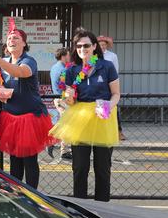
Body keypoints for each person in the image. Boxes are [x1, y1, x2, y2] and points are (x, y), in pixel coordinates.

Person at [49, 28, 120, 202]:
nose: (82, 49)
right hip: (79, 118)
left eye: (86, 45)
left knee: (102, 168)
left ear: (94, 46)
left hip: (102, 116)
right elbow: (70, 99)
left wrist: (109, 105)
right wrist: (69, 97)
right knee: (79, 167)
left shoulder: (107, 66)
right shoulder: (72, 70)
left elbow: (116, 94)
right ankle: (80, 206)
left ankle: (102, 207)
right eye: (79, 46)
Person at [0, 28, 54, 189]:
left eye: (16, 38)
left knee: (29, 160)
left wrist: (0, 62)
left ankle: (33, 197)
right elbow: (5, 84)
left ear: (24, 43)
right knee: (14, 161)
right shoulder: (5, 62)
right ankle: (17, 195)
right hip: (11, 117)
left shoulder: (29, 61)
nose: (11, 41)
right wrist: (2, 95)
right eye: (9, 39)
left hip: (29, 118)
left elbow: (21, 72)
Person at [98, 35, 125, 140]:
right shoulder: (93, 56)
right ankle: (101, 131)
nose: (103, 46)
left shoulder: (112, 56)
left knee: (112, 107)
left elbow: (116, 71)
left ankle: (117, 131)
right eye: (100, 45)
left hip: (109, 85)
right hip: (97, 85)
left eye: (104, 45)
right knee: (99, 106)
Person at [48, 48, 71, 160]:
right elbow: (67, 86)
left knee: (66, 123)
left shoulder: (54, 67)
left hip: (57, 98)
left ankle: (64, 149)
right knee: (66, 123)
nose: (69, 57)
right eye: (68, 55)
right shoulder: (64, 70)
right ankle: (52, 140)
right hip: (63, 99)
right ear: (63, 56)